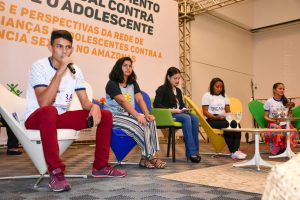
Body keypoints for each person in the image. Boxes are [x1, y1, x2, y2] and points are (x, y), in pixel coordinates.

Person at [24, 30, 126, 192]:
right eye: (59, 46)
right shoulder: (39, 67)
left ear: (71, 49)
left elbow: (84, 101)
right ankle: (56, 172)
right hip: (37, 117)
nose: (64, 51)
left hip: (59, 117)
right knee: (50, 111)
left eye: (68, 47)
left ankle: (100, 167)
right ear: (50, 47)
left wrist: (94, 107)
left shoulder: (75, 71)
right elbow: (44, 103)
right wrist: (60, 72)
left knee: (105, 114)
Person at [104, 57, 167, 169]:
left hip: (127, 115)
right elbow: (123, 101)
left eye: (130, 66)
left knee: (150, 121)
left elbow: (139, 99)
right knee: (139, 125)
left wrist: (146, 113)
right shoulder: (112, 83)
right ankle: (152, 157)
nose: (128, 68)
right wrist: (137, 115)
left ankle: (144, 158)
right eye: (125, 65)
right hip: (113, 116)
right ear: (119, 67)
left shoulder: (133, 83)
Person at [153, 67, 201, 163]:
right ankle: (191, 153)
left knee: (195, 118)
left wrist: (184, 109)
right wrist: (173, 110)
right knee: (186, 118)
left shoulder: (178, 91)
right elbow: (156, 105)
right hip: (168, 115)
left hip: (179, 114)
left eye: (179, 78)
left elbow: (181, 105)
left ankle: (195, 151)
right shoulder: (162, 89)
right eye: (175, 78)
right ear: (168, 77)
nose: (177, 80)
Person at [201, 77, 246, 160]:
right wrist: (215, 117)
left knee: (236, 124)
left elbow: (228, 110)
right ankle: (233, 151)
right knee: (226, 124)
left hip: (222, 118)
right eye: (217, 86)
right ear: (212, 86)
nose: (219, 89)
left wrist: (230, 117)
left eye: (221, 87)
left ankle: (236, 150)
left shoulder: (224, 96)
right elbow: (205, 112)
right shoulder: (207, 96)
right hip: (211, 119)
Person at [263, 82, 298, 155]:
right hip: (274, 123)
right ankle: (277, 149)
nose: (282, 90)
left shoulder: (286, 101)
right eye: (280, 88)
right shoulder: (269, 101)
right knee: (277, 129)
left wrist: (290, 111)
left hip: (285, 123)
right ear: (274, 90)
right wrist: (274, 120)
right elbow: (265, 116)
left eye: (283, 89)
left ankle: (286, 149)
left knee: (293, 131)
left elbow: (289, 116)